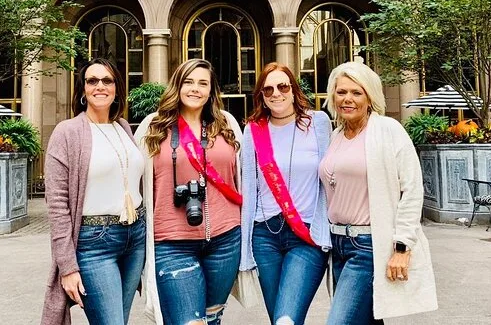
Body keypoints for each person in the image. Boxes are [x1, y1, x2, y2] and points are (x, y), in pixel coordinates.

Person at [320, 61, 438, 324]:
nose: (347, 99)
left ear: (369, 97)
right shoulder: (335, 135)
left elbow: (412, 188)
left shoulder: (388, 130)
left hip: (367, 245)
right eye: (341, 92)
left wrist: (402, 246)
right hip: (337, 244)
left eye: (356, 92)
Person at [134, 59, 248, 325]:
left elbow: (244, 175)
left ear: (211, 91)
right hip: (172, 242)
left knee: (212, 317)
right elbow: (132, 179)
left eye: (202, 83)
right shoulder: (153, 126)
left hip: (225, 240)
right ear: (177, 85)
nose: (195, 88)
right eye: (188, 82)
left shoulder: (226, 124)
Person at [41, 58, 146, 325]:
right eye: (92, 81)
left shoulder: (123, 127)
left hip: (135, 237)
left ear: (117, 88)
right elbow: (57, 205)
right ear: (83, 89)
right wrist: (67, 266)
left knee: (119, 319)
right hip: (95, 243)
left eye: (107, 80)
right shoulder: (67, 132)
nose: (100, 86)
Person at [239, 62, 332, 324]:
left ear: (293, 90)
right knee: (279, 318)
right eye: (268, 90)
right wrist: (245, 249)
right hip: (264, 235)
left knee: (286, 318)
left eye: (282, 86)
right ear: (261, 96)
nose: (276, 94)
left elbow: (328, 179)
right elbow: (249, 189)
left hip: (307, 233)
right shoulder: (253, 130)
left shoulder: (317, 122)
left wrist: (327, 230)